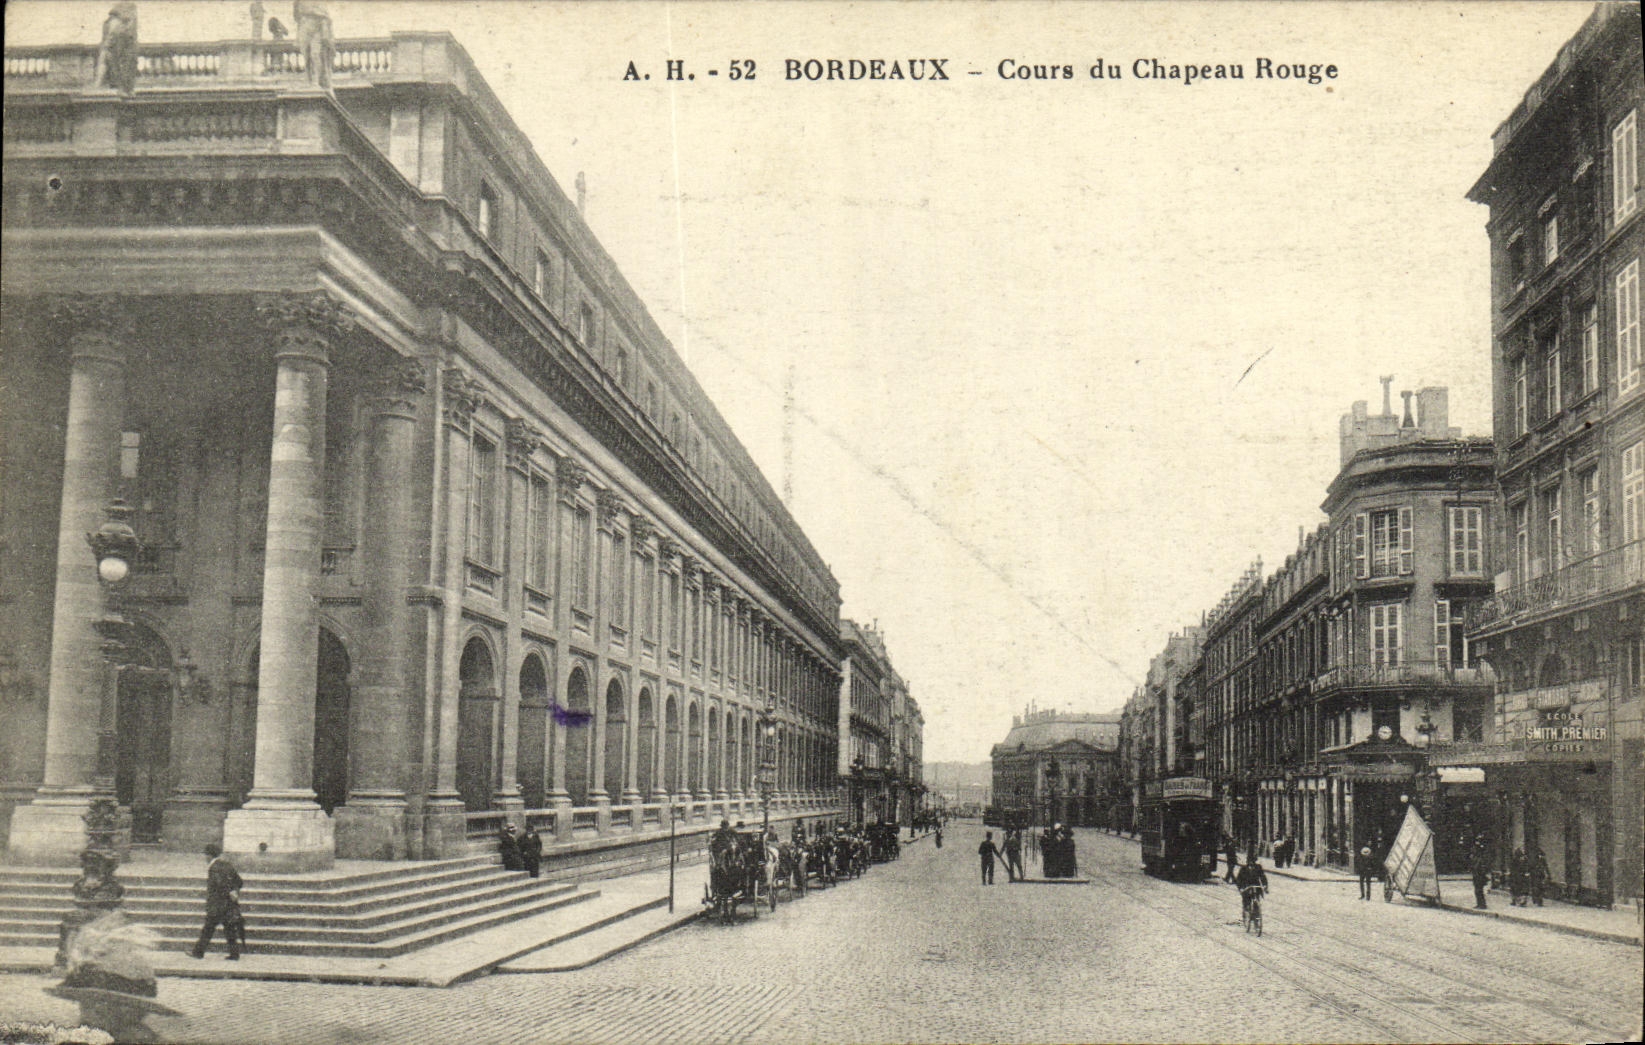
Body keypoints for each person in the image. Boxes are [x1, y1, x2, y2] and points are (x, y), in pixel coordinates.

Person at [191, 843, 243, 960]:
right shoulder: (227, 865)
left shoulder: (213, 867)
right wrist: (234, 892)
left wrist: (228, 892)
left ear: (209, 855)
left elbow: (220, 884)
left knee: (208, 929)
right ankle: (234, 954)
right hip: (228, 904)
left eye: (206, 855)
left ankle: (198, 952)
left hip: (217, 905)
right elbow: (239, 881)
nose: (205, 857)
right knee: (229, 930)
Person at [1234, 853, 1268, 922]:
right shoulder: (1243, 869)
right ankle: (1246, 913)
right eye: (1250, 861)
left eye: (1253, 861)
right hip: (1247, 887)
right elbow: (1239, 879)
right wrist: (1240, 888)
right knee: (1246, 901)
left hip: (1256, 887)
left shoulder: (1258, 867)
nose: (1251, 863)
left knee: (1256, 901)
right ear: (1247, 861)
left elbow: (1263, 877)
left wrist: (1265, 885)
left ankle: (1256, 917)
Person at [1470, 839, 1492, 910]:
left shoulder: (1479, 860)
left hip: (1479, 877)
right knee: (1477, 891)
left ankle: (1482, 904)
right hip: (1477, 876)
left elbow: (1480, 869)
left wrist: (1482, 875)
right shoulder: (1476, 860)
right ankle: (1479, 904)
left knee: (1479, 891)